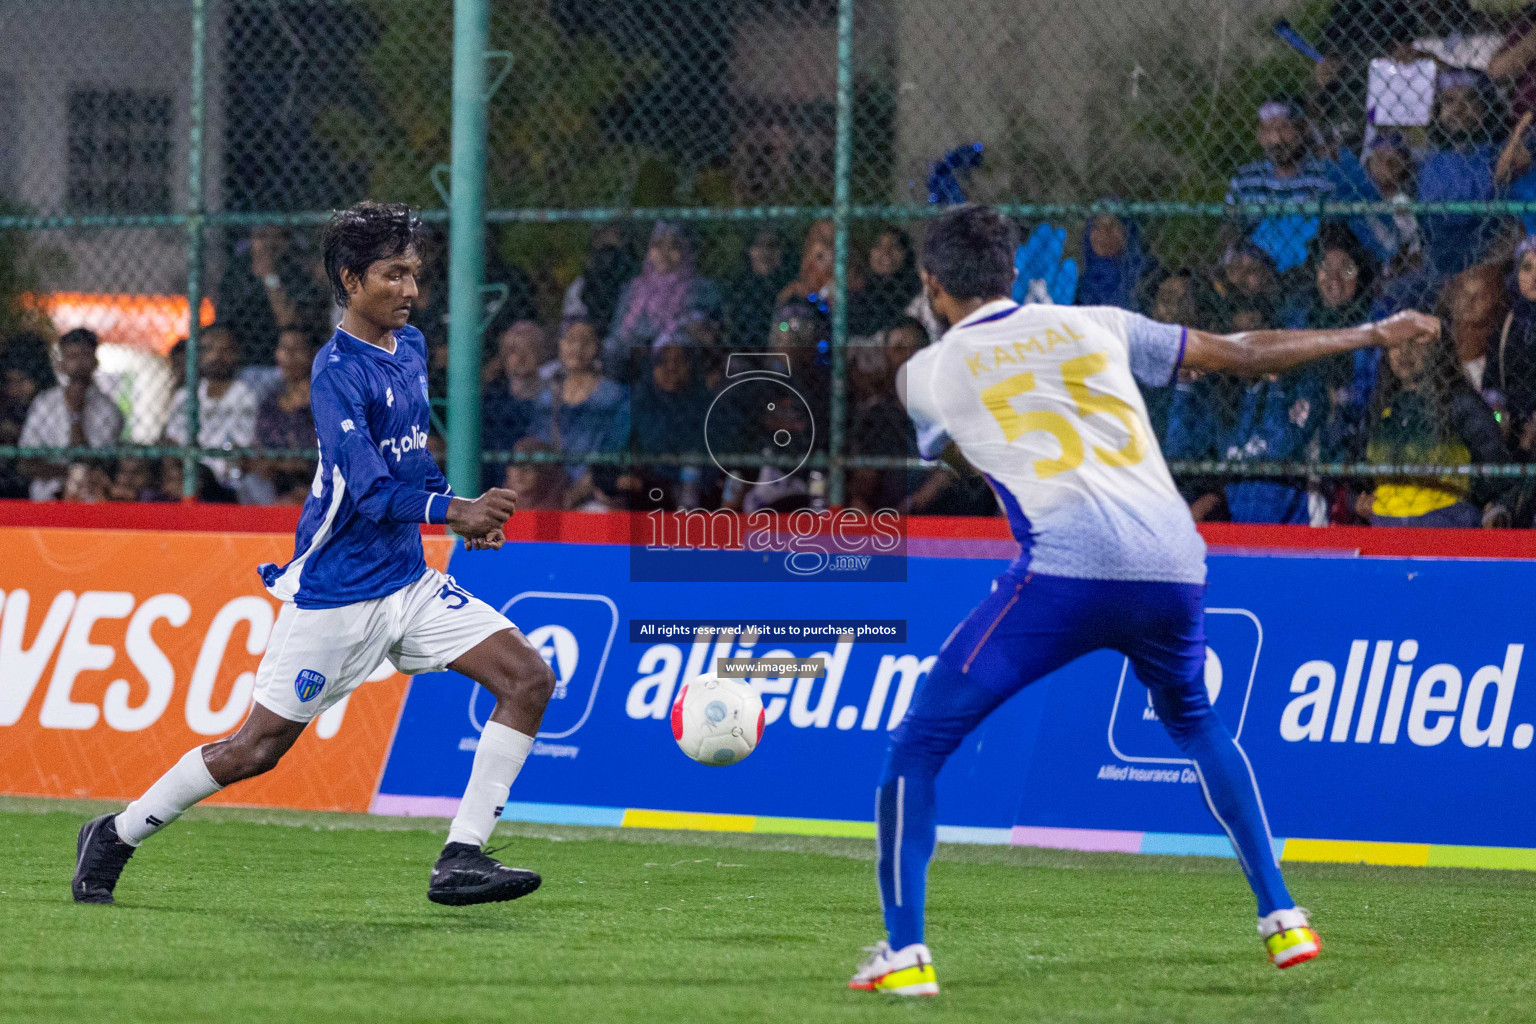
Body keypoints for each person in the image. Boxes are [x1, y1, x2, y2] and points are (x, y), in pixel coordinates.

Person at [849, 204, 1440, 995]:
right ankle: (1284, 917)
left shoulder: (925, 372)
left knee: (917, 746)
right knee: (1195, 722)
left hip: (1065, 572)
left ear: (931, 283)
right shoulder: (1098, 323)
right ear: (1010, 270)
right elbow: (1245, 354)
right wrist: (1370, 334)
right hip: (1173, 565)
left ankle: (904, 954)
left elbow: (964, 456)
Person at [72, 201, 556, 909]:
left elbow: (410, 461)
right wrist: (454, 509)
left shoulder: (411, 348)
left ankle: (461, 857)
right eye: (394, 275)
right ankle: (114, 834)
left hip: (407, 583)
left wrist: (456, 514)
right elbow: (365, 488)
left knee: (527, 679)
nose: (411, 290)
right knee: (255, 750)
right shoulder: (335, 372)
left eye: (415, 274)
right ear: (351, 280)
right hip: (336, 595)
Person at [1358, 330, 1513, 528]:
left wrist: (1492, 506)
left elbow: (1497, 470)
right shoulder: (1379, 407)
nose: (1404, 352)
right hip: (1384, 523)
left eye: (1415, 343)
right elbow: (1357, 476)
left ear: (1436, 349)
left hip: (1447, 522)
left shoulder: (1460, 404)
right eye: (1396, 344)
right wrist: (1357, 501)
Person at [1225, 100, 1336, 275]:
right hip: (1250, 269)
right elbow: (1228, 224)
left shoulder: (1322, 177)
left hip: (1304, 273)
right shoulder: (1245, 178)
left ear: (1300, 132)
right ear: (1259, 137)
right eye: (1268, 130)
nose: (1276, 139)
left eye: (1284, 128)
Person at [17, 328, 124, 501]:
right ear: (62, 364)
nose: (78, 364)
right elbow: (26, 464)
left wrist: (76, 415)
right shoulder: (44, 402)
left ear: (95, 362)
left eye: (84, 356)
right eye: (71, 357)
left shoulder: (109, 409)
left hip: (88, 500)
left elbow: (96, 465)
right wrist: (71, 472)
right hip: (45, 498)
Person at [535, 317, 630, 508]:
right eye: (570, 340)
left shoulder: (615, 396)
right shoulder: (545, 397)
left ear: (598, 347)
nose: (577, 348)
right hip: (550, 490)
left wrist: (576, 493)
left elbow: (613, 452)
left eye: (586, 341)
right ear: (560, 345)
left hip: (598, 492)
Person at [163, 324, 261, 503]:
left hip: (226, 485)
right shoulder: (185, 396)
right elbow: (173, 442)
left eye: (225, 350)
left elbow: (240, 451)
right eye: (209, 350)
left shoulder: (246, 396)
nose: (217, 356)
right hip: (187, 476)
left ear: (237, 354)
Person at [606, 221, 720, 372]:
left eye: (673, 247)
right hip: (630, 360)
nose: (663, 254)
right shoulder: (634, 288)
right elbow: (618, 332)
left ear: (687, 250)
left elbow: (694, 330)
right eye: (657, 245)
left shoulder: (700, 289)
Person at [252, 327, 321, 505]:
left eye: (297, 349)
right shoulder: (271, 404)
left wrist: (281, 464)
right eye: (284, 349)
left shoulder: (324, 401)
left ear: (312, 354)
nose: (289, 356)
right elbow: (260, 454)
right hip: (278, 488)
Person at [722, 226, 792, 349]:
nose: (765, 252)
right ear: (749, 251)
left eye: (772, 246)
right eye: (759, 245)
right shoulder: (737, 286)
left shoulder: (789, 285)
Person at [848, 227, 921, 337]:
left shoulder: (918, 292)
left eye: (895, 246)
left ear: (906, 253)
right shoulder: (857, 291)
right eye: (878, 245)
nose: (886, 252)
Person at [1074, 211, 1150, 311]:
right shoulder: (1079, 285)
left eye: (1113, 225)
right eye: (1097, 226)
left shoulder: (1145, 277)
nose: (1104, 232)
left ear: (1127, 232)